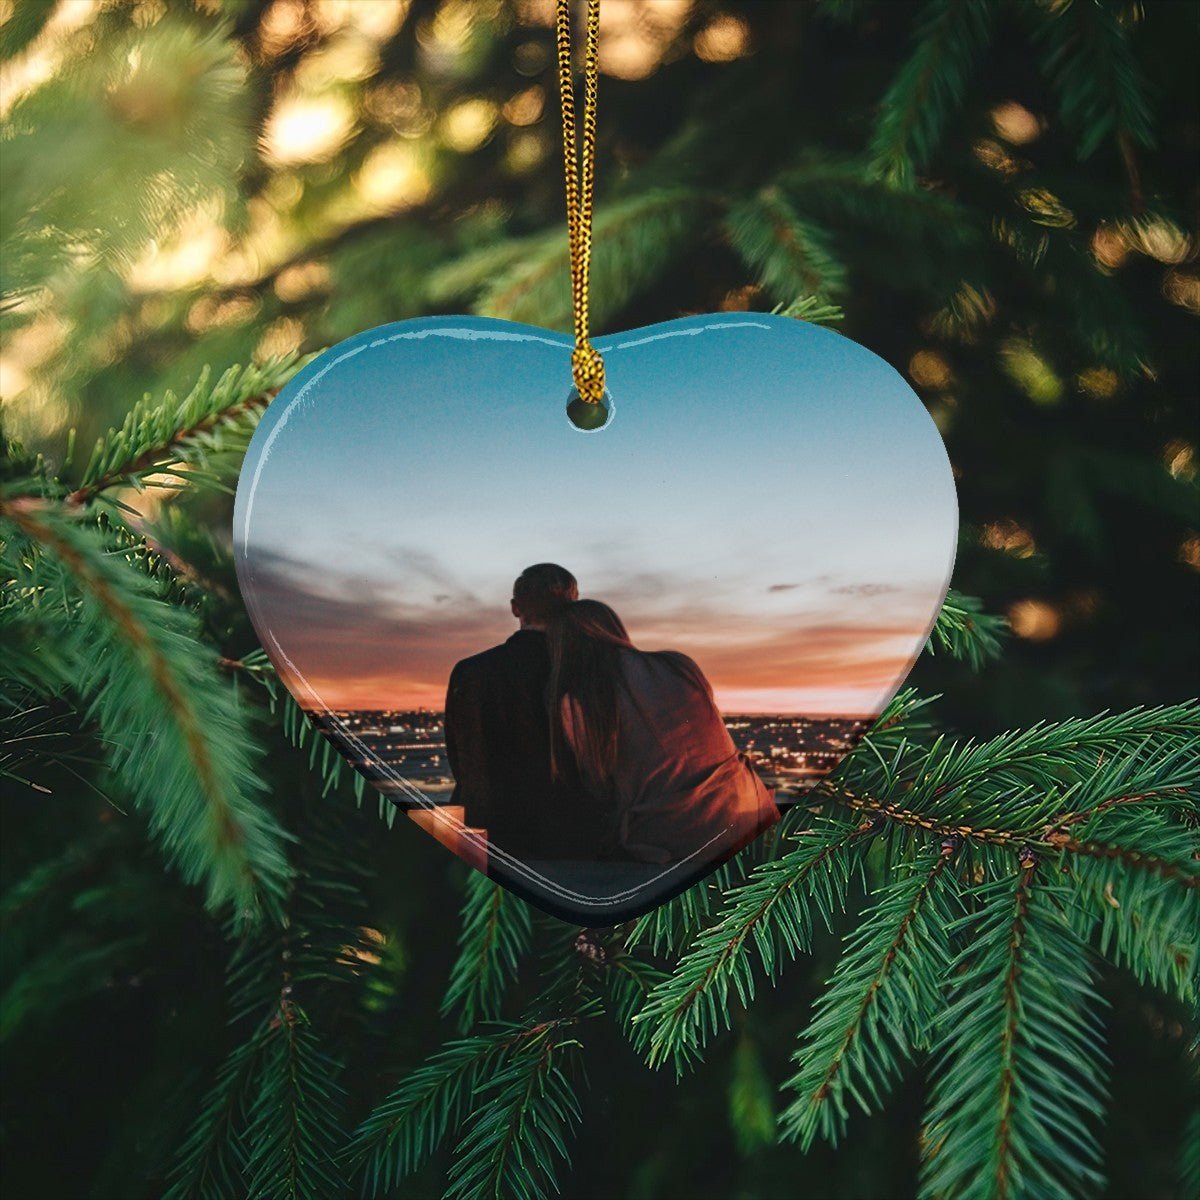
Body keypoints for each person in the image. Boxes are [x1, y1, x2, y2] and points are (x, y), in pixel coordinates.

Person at [545, 599, 780, 867]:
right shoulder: (678, 664)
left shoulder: (579, 701)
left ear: (561, 647)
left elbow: (599, 784)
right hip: (749, 808)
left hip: (681, 834)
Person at [443, 564, 598, 860]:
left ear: (516, 608)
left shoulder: (470, 671)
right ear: (573, 609)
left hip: (491, 829)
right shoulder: (588, 670)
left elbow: (462, 760)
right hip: (572, 833)